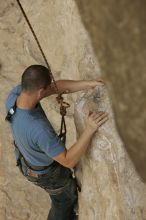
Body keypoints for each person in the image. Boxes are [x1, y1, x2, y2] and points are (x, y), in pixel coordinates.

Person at [5, 65, 108, 220]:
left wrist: (88, 84)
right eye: (46, 89)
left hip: (26, 159)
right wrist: (90, 129)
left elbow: (54, 87)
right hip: (47, 175)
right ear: (40, 92)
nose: (51, 88)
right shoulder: (38, 129)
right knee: (64, 201)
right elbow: (68, 161)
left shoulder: (15, 95)